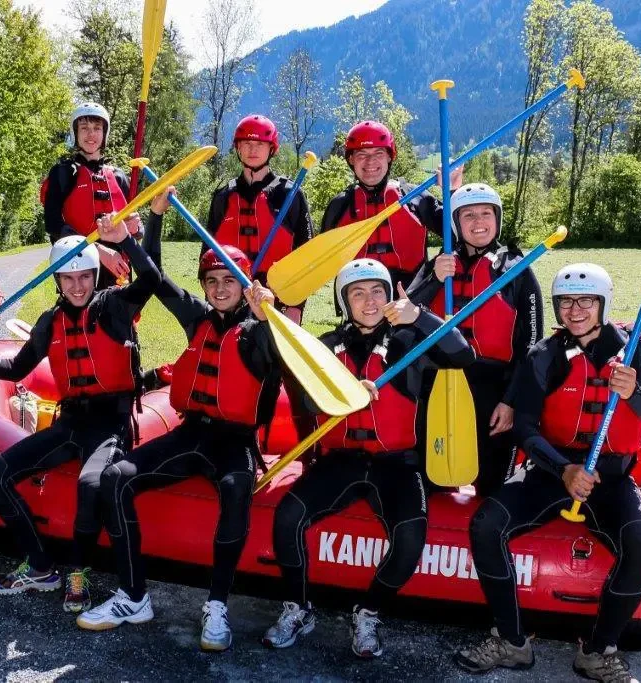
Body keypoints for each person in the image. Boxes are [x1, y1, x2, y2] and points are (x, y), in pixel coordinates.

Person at [454, 264, 641, 682]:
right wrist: (564, 469)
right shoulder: (545, 354)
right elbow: (525, 429)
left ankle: (597, 653)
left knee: (640, 542)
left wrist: (635, 394)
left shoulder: (637, 354)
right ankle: (511, 641)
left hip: (610, 479)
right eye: (565, 302)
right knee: (486, 524)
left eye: (586, 301)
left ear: (603, 304)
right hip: (551, 469)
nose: (575, 310)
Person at [77, 193, 285, 653]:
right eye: (211, 281)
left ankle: (217, 605)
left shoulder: (259, 329)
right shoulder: (197, 317)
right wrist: (136, 233)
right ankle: (134, 596)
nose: (219, 288)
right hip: (192, 433)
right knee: (115, 478)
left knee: (235, 489)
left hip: (235, 442)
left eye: (228, 280)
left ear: (245, 285)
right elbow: (156, 278)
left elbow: (284, 358)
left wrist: (268, 315)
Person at [0, 217, 160, 614]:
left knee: (90, 484)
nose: (77, 286)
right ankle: (40, 566)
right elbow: (15, 369)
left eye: (84, 276)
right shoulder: (49, 322)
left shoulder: (115, 306)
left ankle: (77, 572)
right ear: (57, 280)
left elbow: (151, 278)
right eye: (68, 278)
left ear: (95, 275)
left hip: (111, 425)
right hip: (70, 423)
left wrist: (125, 240)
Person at [262, 259, 475, 658]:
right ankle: (298, 608)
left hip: (397, 463)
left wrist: (420, 315)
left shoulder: (411, 341)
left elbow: (464, 355)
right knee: (288, 516)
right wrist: (344, 389)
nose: (370, 300)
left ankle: (368, 611)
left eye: (378, 291)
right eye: (358, 293)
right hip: (341, 459)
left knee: (410, 537)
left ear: (389, 295)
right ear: (345, 302)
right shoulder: (326, 345)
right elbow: (306, 399)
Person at [407, 183, 543, 494]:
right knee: (433, 483)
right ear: (455, 222)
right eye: (468, 215)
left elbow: (532, 344)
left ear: (497, 219)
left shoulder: (515, 269)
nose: (478, 222)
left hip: (493, 388)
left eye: (486, 213)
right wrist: (434, 279)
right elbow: (404, 313)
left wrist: (510, 401)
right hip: (438, 383)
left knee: (493, 489)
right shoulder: (439, 264)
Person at [321, 120, 462, 298]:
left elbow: (459, 233)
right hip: (361, 303)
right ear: (351, 159)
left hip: (411, 298)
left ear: (389, 156)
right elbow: (322, 260)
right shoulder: (339, 206)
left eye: (378, 153)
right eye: (362, 154)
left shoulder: (413, 197)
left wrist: (452, 191)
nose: (370, 161)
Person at [204, 114, 313, 324]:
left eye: (260, 144)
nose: (252, 149)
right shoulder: (223, 196)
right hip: (230, 298)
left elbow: (306, 256)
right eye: (246, 143)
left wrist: (296, 307)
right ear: (238, 148)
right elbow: (207, 254)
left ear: (271, 148)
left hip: (276, 299)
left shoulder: (290, 194)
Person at [41, 102, 142, 288]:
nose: (91, 134)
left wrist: (135, 228)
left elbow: (138, 231)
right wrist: (98, 251)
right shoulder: (62, 173)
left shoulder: (119, 176)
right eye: (84, 128)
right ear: (75, 133)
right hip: (78, 269)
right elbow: (53, 226)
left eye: (97, 128)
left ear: (104, 134)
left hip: (118, 271)